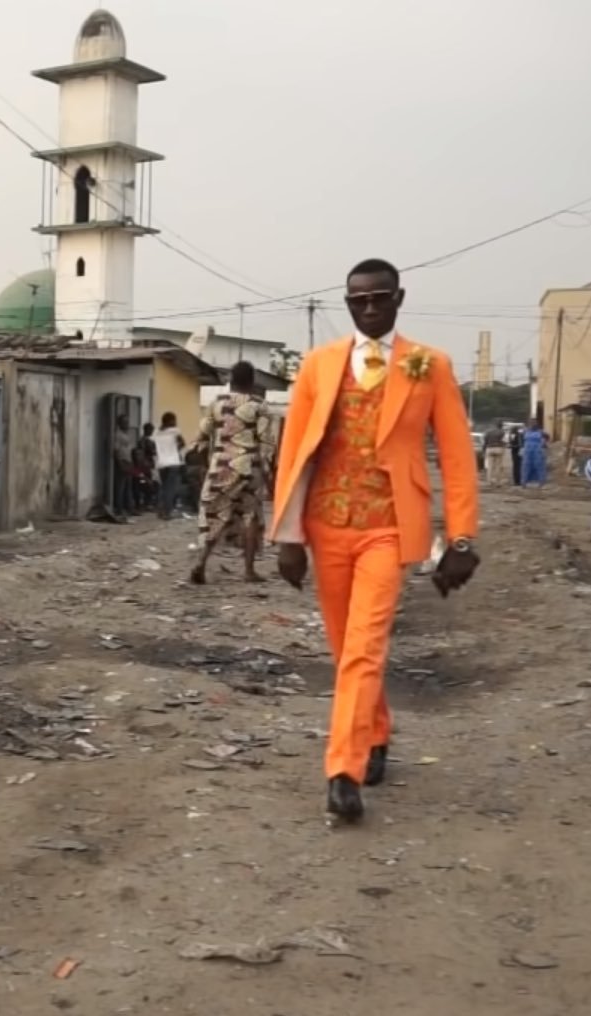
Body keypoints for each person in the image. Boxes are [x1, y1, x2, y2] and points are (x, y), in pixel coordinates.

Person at [272, 258, 479, 823]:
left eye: (378, 298)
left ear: (398, 298)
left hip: (390, 526)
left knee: (364, 646)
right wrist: (287, 536)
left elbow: (458, 460)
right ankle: (377, 728)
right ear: (347, 303)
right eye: (357, 300)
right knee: (346, 650)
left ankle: (344, 770)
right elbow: (293, 454)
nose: (368, 309)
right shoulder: (318, 366)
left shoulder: (429, 366)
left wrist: (460, 538)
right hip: (325, 526)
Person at [190, 361, 272, 585]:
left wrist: (200, 463)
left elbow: (201, 437)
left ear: (230, 380)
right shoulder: (260, 406)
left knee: (213, 515)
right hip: (249, 467)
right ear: (252, 381)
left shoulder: (216, 404)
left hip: (221, 467)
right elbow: (266, 444)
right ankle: (248, 571)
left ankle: (201, 563)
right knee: (250, 516)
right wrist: (267, 474)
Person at [152, 412, 186, 519]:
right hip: (172, 463)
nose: (176, 422)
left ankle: (160, 511)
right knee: (170, 489)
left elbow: (153, 445)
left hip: (162, 463)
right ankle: (167, 512)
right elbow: (182, 443)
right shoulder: (175, 431)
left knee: (163, 487)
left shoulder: (157, 431)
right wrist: (175, 449)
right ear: (170, 421)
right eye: (174, 420)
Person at [111, 413, 136, 516]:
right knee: (120, 487)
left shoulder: (126, 434)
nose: (127, 424)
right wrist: (120, 462)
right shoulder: (117, 435)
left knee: (128, 486)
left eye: (127, 422)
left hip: (128, 461)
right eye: (124, 422)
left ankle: (129, 508)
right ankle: (119, 508)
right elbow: (115, 450)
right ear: (119, 423)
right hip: (122, 461)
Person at [521, 418, 549, 487]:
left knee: (539, 465)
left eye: (534, 422)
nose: (532, 424)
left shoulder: (541, 431)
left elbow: (547, 437)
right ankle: (524, 482)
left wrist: (544, 443)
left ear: (537, 423)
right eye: (531, 423)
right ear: (529, 424)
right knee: (526, 465)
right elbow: (522, 440)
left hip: (537, 450)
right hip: (528, 450)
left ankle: (541, 482)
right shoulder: (525, 431)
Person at [482, 420, 507, 487]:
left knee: (490, 466)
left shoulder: (488, 432)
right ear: (501, 425)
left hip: (490, 448)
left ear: (495, 425)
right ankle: (498, 482)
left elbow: (485, 441)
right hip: (498, 448)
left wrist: (484, 450)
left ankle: (489, 481)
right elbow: (504, 441)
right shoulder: (502, 432)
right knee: (498, 466)